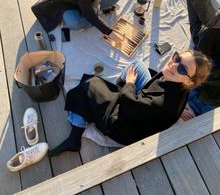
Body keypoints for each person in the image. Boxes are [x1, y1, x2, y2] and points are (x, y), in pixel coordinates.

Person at [48, 49, 211, 156]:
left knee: (89, 86)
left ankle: (74, 138)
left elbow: (129, 107)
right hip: (144, 105)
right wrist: (177, 110)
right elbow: (165, 104)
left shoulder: (162, 103)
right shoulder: (181, 87)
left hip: (122, 125)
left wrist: (130, 84)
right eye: (177, 57)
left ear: (189, 82)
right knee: (138, 65)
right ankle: (118, 90)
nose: (173, 65)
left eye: (182, 69)